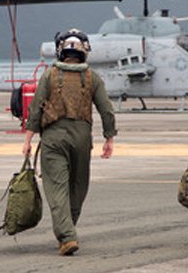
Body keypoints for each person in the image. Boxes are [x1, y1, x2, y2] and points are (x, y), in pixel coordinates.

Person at [22, 29, 117, 256]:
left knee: (57, 188)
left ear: (60, 50)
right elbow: (107, 110)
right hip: (82, 138)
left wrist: (28, 139)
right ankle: (68, 228)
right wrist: (109, 138)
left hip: (54, 138)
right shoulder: (92, 77)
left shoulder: (49, 75)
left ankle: (66, 236)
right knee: (78, 186)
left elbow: (35, 109)